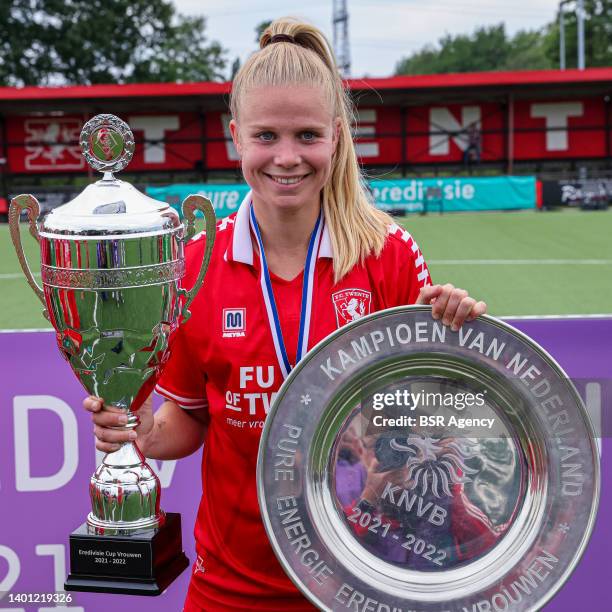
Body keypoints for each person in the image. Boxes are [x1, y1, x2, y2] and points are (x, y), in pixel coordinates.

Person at [84, 17, 487, 611]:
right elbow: (192, 422)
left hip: (369, 576)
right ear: (235, 137)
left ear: (337, 137)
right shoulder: (195, 265)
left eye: (307, 135)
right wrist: (141, 429)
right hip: (233, 586)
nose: (287, 157)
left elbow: (432, 420)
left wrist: (456, 340)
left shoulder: (388, 254)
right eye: (266, 136)